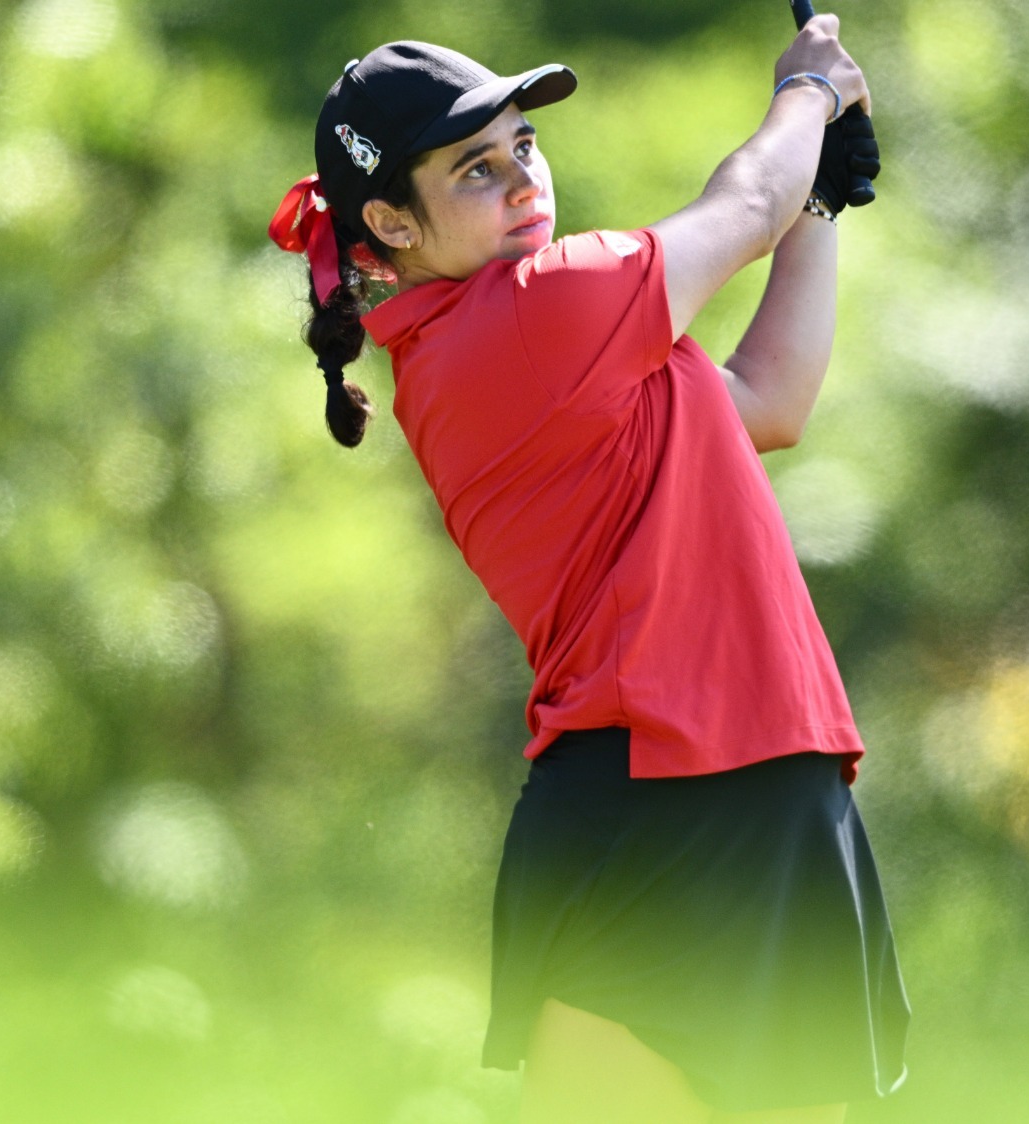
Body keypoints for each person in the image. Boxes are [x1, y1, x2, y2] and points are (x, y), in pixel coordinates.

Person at [269, 17, 906, 1124]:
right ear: (391, 222)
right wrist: (808, 92)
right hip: (652, 805)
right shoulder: (529, 317)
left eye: (523, 146)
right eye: (475, 168)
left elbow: (769, 400)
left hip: (768, 782)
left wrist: (818, 201)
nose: (523, 179)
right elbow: (743, 206)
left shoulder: (549, 336)